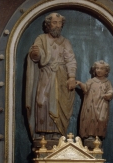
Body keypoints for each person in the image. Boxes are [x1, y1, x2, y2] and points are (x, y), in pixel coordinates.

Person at [25, 12, 77, 140]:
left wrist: (71, 77)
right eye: (55, 23)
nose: (57, 26)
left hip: (61, 77)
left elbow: (70, 59)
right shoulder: (41, 38)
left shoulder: (65, 42)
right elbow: (35, 56)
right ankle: (42, 134)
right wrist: (36, 54)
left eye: (59, 23)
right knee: (42, 102)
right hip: (46, 76)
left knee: (59, 105)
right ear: (48, 25)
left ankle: (57, 134)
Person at [76, 60, 113, 140]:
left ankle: (98, 136)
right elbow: (86, 89)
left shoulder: (107, 82)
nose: (99, 70)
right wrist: (80, 84)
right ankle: (90, 135)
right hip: (91, 104)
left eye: (101, 69)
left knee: (101, 119)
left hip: (102, 104)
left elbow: (110, 91)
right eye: (97, 68)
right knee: (90, 119)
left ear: (106, 71)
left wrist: (108, 95)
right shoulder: (91, 81)